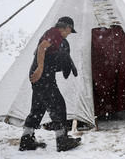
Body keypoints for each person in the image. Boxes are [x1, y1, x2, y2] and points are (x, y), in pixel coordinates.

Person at [19, 16, 81, 152]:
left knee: (38, 108)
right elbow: (41, 48)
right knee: (58, 106)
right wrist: (40, 68)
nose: (69, 34)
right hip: (43, 77)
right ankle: (62, 140)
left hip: (42, 77)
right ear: (67, 27)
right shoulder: (55, 33)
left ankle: (26, 140)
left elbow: (50, 53)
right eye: (70, 31)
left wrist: (66, 62)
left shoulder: (55, 35)